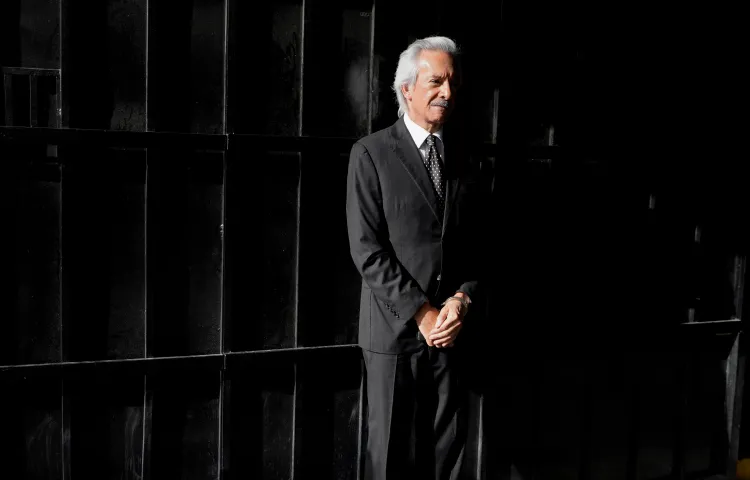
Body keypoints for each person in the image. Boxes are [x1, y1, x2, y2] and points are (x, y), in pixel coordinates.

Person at [346, 36, 483, 480]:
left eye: (452, 82)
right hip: (394, 336)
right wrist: (422, 312)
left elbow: (479, 247)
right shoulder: (370, 153)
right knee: (388, 458)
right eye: (436, 81)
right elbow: (367, 250)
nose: (447, 91)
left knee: (446, 456)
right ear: (407, 89)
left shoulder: (465, 157)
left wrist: (462, 299)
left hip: (451, 335)